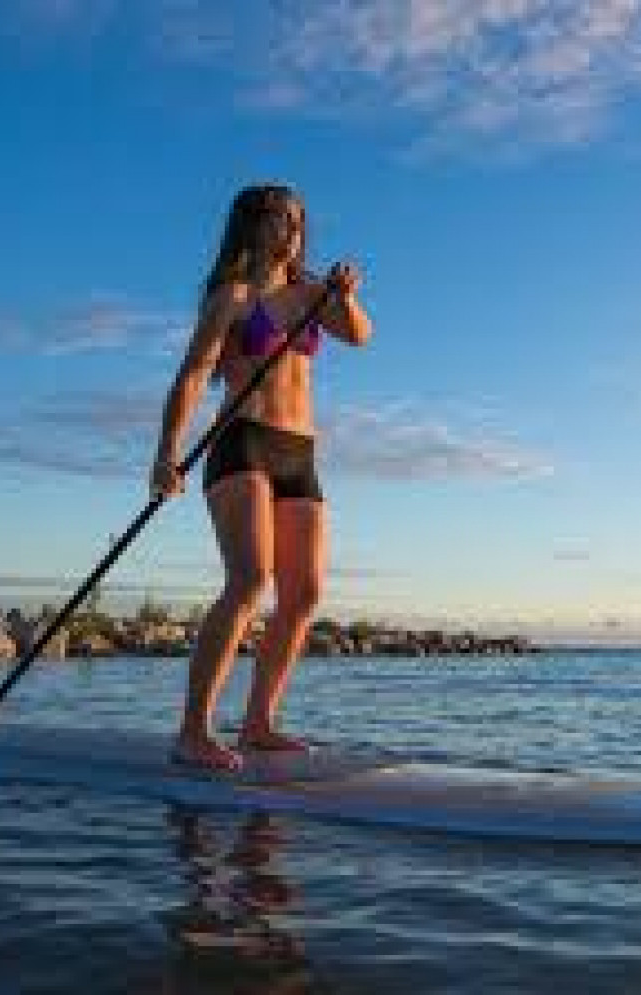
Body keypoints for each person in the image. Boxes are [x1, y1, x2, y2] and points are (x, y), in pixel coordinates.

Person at [150, 183, 372, 772]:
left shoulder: (310, 292)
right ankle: (192, 731)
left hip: (299, 451)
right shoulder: (233, 296)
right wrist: (166, 454)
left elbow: (359, 335)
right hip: (241, 440)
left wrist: (344, 297)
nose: (291, 232)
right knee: (250, 581)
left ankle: (258, 724)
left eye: (298, 222)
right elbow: (195, 374)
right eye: (279, 220)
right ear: (252, 226)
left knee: (303, 594)